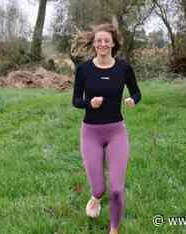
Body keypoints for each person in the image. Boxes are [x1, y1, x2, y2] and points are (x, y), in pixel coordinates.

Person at [71, 23, 142, 234]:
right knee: (100, 188)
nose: (102, 43)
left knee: (117, 189)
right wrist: (89, 103)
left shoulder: (123, 68)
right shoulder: (83, 70)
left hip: (116, 131)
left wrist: (132, 100)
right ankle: (95, 198)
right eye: (99, 40)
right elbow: (76, 101)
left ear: (113, 43)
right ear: (94, 44)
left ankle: (114, 230)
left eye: (106, 40)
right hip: (91, 132)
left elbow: (137, 93)